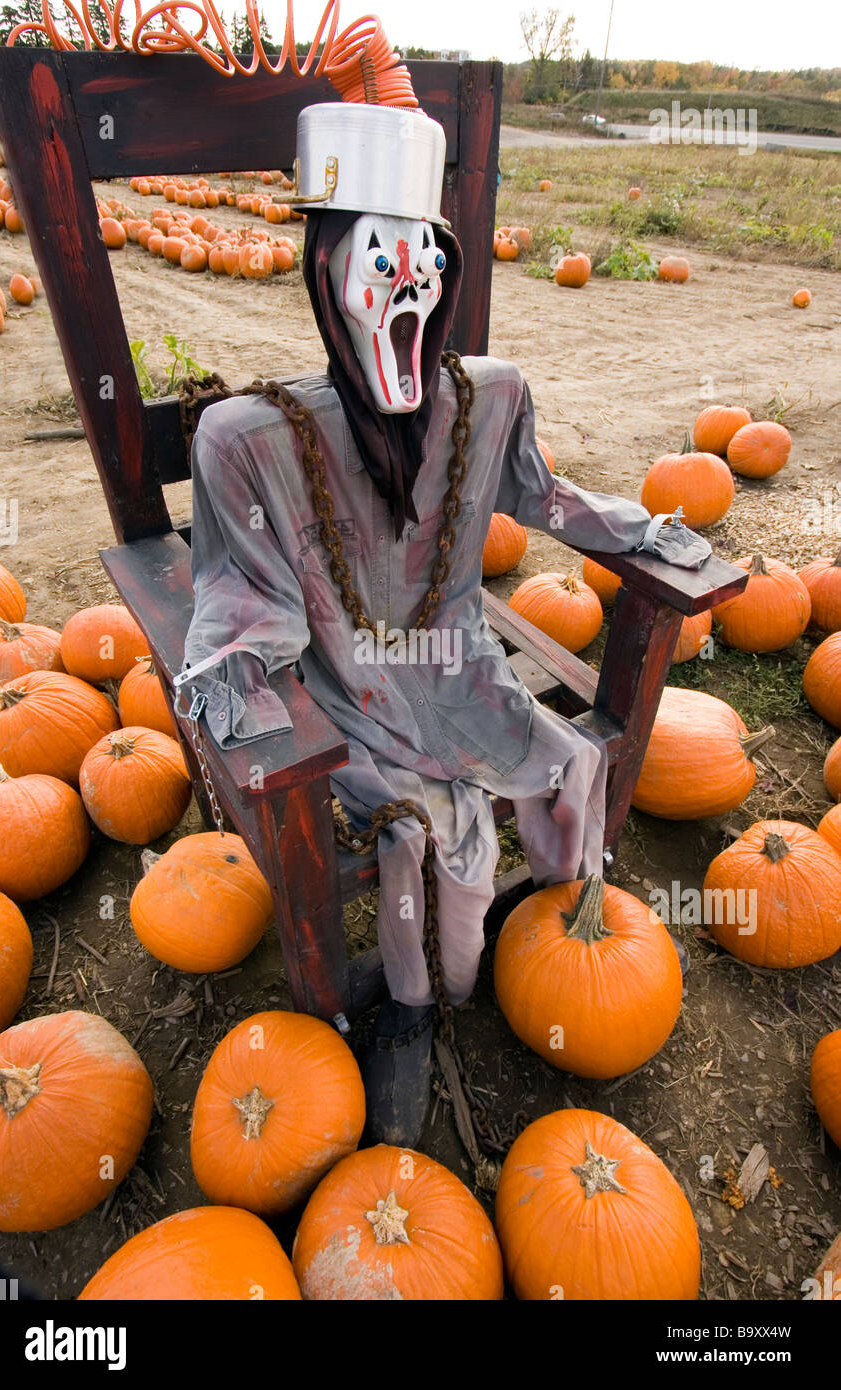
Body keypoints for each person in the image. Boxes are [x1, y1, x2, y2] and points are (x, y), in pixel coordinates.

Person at [181, 103, 710, 1147]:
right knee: (418, 822)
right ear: (326, 275)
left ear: (449, 271)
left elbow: (545, 499)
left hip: (460, 658)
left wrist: (645, 531)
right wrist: (240, 685)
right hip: (352, 679)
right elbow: (241, 600)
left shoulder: (487, 397)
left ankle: (549, 938)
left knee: (557, 758)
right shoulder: (245, 439)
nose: (405, 280)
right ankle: (413, 1007)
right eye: (379, 258)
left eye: (425, 258)